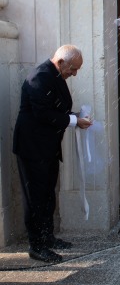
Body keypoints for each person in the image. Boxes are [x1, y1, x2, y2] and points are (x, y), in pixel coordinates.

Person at [13, 45, 92, 263]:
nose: (74, 74)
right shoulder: (39, 77)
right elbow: (43, 114)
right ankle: (36, 246)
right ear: (60, 63)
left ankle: (48, 238)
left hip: (47, 148)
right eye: (73, 69)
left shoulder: (54, 75)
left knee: (48, 195)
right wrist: (74, 120)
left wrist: (75, 116)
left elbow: (57, 109)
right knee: (35, 198)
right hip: (32, 148)